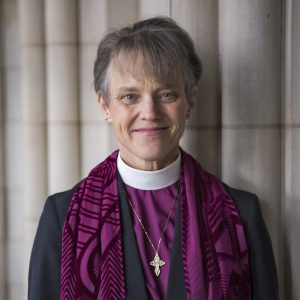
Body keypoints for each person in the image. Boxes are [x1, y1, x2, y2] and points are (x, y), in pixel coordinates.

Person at [28, 17, 278, 300]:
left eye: (167, 94)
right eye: (130, 97)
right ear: (105, 105)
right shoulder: (61, 217)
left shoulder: (242, 214)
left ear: (190, 102)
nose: (150, 112)